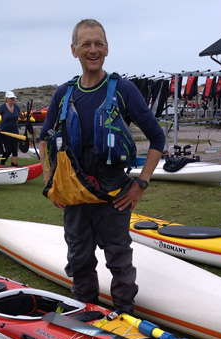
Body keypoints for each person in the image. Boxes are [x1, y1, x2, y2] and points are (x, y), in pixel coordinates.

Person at [38, 18, 164, 315]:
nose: (92, 50)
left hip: (114, 195)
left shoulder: (123, 89)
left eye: (98, 44)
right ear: (74, 50)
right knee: (79, 258)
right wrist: (50, 181)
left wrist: (140, 184)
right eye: (86, 44)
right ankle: (86, 312)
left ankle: (125, 314)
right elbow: (44, 139)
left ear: (106, 48)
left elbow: (157, 138)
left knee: (119, 259)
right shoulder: (63, 93)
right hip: (75, 198)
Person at [0, 91, 21, 166]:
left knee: (15, 150)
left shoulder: (16, 107)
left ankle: (14, 165)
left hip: (15, 132)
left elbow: (21, 116)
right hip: (5, 132)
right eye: (11, 98)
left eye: (13, 98)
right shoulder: (2, 107)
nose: (12, 99)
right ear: (7, 98)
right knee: (8, 150)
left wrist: (26, 116)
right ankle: (2, 163)